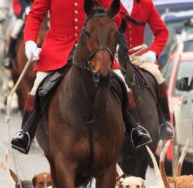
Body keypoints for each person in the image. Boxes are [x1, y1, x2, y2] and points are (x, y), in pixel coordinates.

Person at [11, 0, 152, 154]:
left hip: (94, 48)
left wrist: (106, 30)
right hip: (58, 47)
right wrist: (30, 41)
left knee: (122, 82)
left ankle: (134, 128)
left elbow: (118, 11)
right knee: (37, 86)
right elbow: (35, 15)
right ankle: (26, 133)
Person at [118, 0, 173, 140]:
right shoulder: (107, 3)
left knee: (158, 75)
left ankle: (164, 121)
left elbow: (162, 31)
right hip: (114, 56)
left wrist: (153, 51)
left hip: (138, 56)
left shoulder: (145, 4)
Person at [3, 0, 31, 69]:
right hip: (25, 14)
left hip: (41, 13)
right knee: (15, 32)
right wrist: (27, 8)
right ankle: (9, 57)